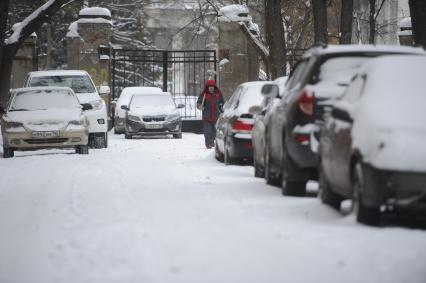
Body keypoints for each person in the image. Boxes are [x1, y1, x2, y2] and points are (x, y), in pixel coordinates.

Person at [197, 79, 224, 149]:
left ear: (214, 87)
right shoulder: (204, 94)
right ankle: (208, 143)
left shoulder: (218, 94)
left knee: (214, 131)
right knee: (207, 131)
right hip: (207, 117)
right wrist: (200, 106)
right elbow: (199, 102)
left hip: (216, 116)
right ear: (207, 87)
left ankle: (212, 141)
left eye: (212, 86)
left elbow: (222, 102)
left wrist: (221, 107)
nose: (211, 88)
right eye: (209, 87)